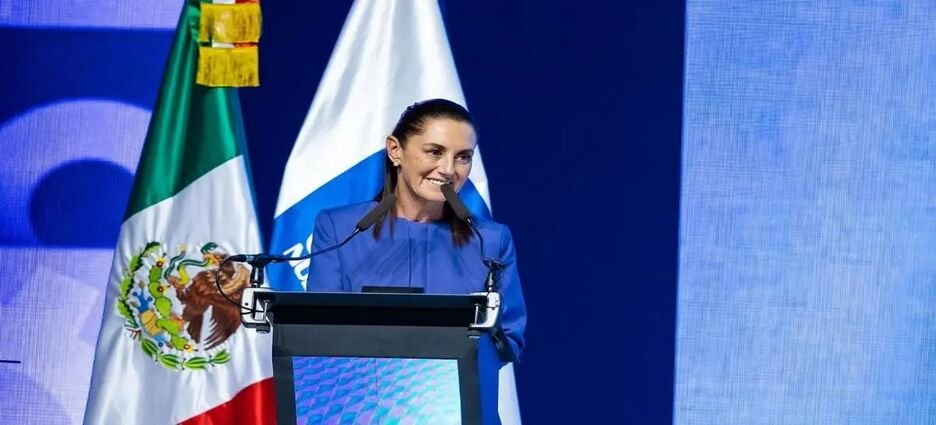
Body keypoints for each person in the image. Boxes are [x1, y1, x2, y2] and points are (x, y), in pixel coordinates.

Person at [305, 99, 527, 359]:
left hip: (456, 385)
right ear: (395, 150)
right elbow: (320, 328)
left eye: (463, 157)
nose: (448, 170)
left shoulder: (490, 240)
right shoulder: (339, 228)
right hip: (358, 383)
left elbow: (509, 338)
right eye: (434, 152)